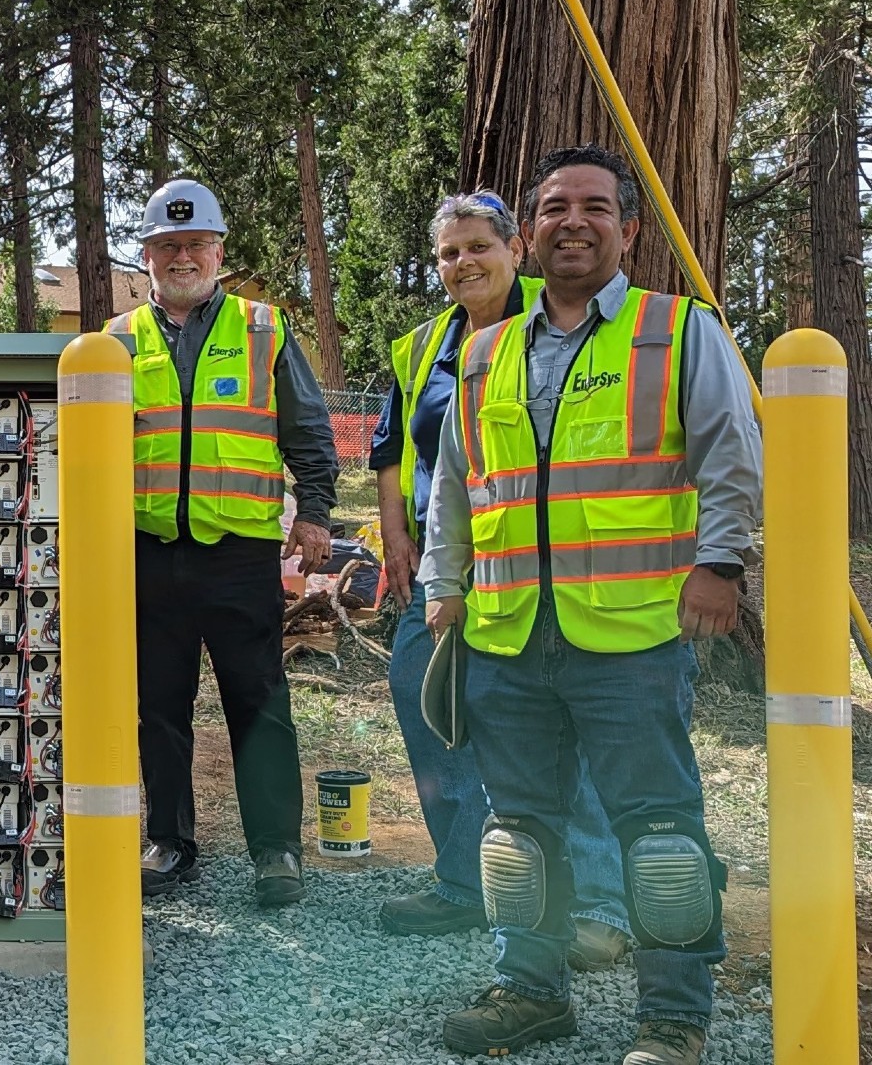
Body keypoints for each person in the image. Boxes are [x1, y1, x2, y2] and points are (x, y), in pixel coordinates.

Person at [422, 146, 759, 1065]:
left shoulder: (679, 331)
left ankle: (674, 1018)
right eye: (555, 207)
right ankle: (531, 992)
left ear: (628, 228)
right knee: (517, 833)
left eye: (595, 206)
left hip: (634, 638)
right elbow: (458, 484)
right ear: (529, 231)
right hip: (507, 635)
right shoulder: (484, 349)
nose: (574, 220)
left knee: (659, 836)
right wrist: (442, 585)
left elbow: (732, 457)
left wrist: (721, 565)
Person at [371, 191, 632, 971]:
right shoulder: (423, 347)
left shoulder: (553, 327)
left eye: (478, 246)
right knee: (431, 705)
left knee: (558, 731)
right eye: (449, 253)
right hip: (447, 570)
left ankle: (597, 903)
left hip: (540, 571)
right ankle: (463, 879)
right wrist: (395, 538)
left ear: (516, 248)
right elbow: (395, 448)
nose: (463, 264)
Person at [106, 178, 338, 907]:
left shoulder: (263, 328)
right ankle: (170, 841)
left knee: (259, 700)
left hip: (239, 552)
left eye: (196, 244)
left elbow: (307, 426)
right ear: (146, 256)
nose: (183, 257)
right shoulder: (114, 341)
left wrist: (317, 509)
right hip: (145, 552)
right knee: (158, 704)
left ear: (219, 252)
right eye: (168, 245)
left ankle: (276, 850)